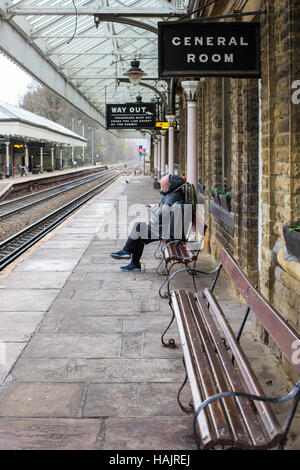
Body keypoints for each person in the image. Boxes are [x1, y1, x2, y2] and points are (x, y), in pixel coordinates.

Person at [110, 174, 186, 271]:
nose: (161, 189)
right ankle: (133, 262)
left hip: (163, 232)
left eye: (163, 186)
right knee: (139, 232)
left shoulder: (173, 197)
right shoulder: (173, 194)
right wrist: (157, 206)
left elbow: (162, 215)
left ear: (170, 186)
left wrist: (154, 208)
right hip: (162, 228)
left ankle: (127, 252)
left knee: (139, 227)